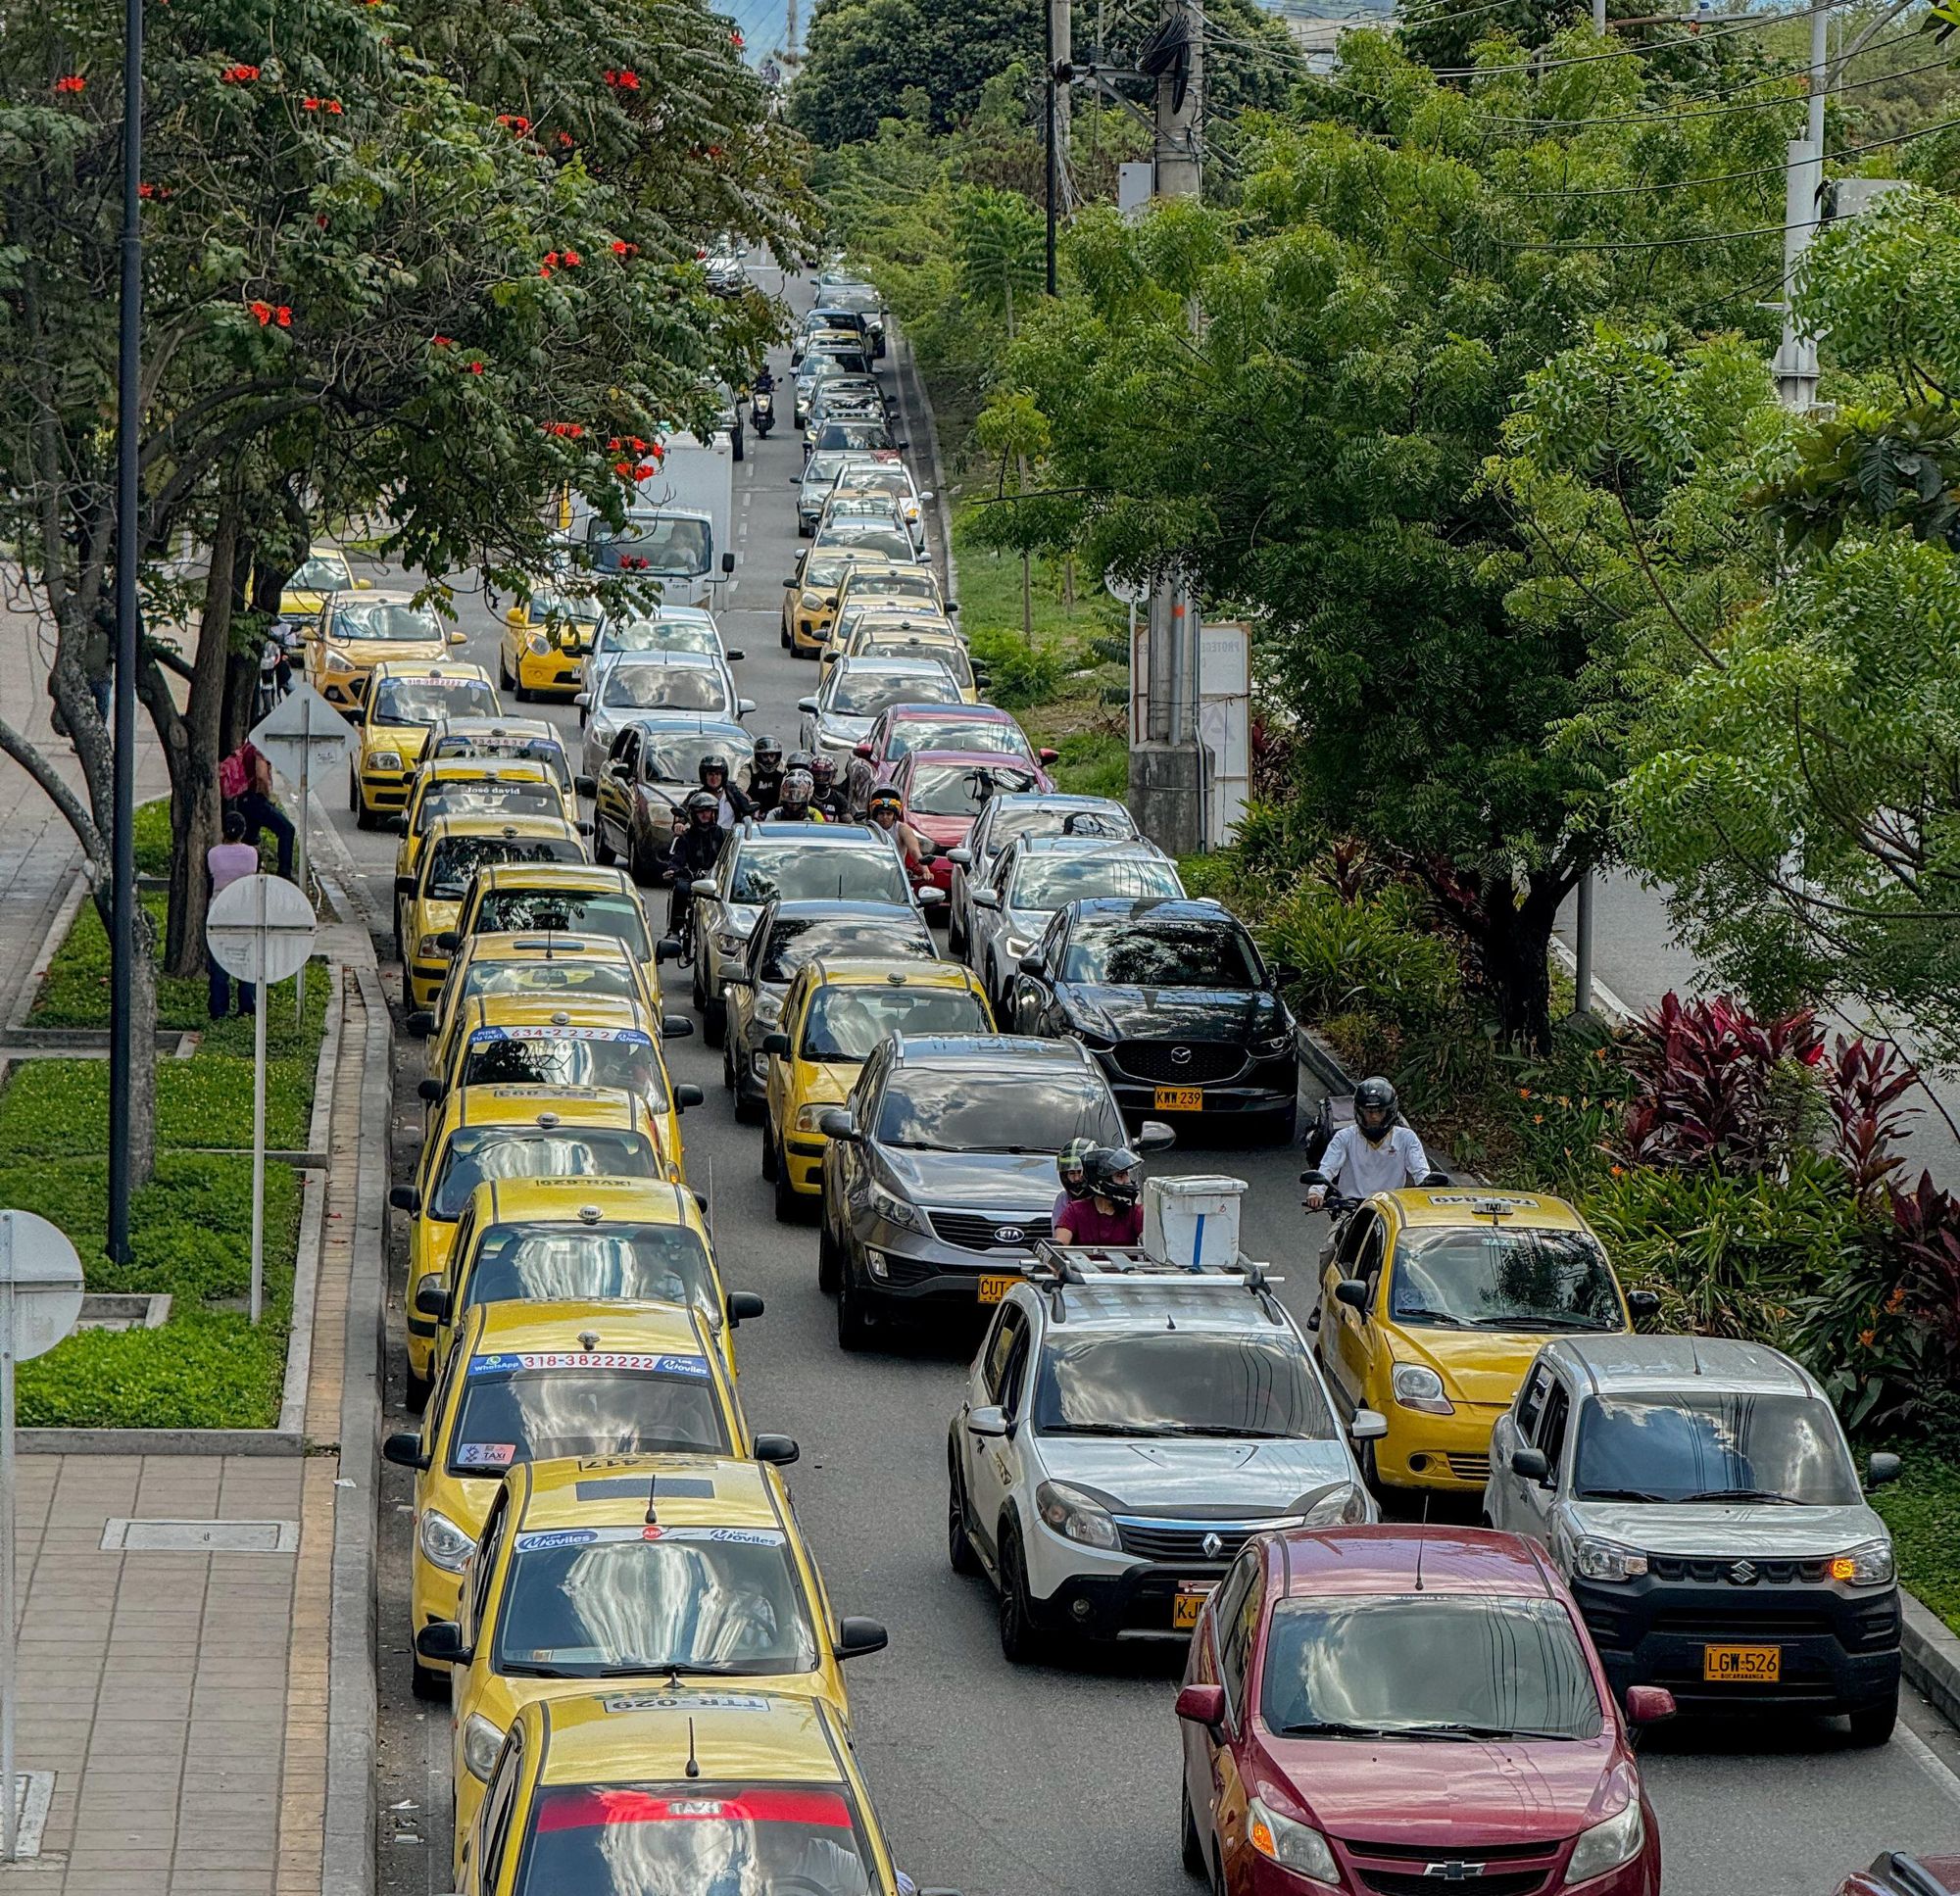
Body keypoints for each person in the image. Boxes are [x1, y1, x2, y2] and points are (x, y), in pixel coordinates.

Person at [1303, 1076, 1433, 1207]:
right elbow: (1328, 1167)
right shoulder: (1344, 1137)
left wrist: (1429, 1188)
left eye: (1380, 1111)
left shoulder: (1407, 1138)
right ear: (1359, 1111)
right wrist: (1316, 1192)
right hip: (1350, 1207)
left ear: (1390, 1111)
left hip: (1391, 1209)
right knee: (1337, 1229)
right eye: (1369, 1112)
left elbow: (1421, 1171)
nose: (1374, 1117)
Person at [207, 811, 263, 1018]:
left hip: (219, 912)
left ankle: (218, 1007)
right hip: (245, 913)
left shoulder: (213, 854)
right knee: (246, 959)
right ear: (243, 831)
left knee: (219, 961)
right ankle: (248, 1005)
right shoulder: (252, 854)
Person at [220, 737, 295, 880]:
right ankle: (284, 873)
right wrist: (266, 797)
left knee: (250, 840)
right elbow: (261, 776)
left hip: (243, 799)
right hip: (256, 799)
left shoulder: (248, 746)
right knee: (286, 829)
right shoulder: (260, 749)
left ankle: (245, 874)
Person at [1054, 1145, 1146, 1248]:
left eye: (1126, 1175)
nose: (1127, 1181)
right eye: (1120, 1176)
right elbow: (1060, 1244)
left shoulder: (1135, 1212)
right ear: (1101, 1180)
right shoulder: (1075, 1211)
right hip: (1083, 1265)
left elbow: (1152, 1243)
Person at [666, 789, 727, 934]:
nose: (705, 814)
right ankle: (675, 930)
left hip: (716, 880)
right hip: (692, 878)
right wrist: (673, 869)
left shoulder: (722, 835)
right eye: (701, 811)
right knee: (680, 889)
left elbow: (728, 857)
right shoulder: (686, 837)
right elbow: (678, 858)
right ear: (694, 814)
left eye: (708, 810)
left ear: (715, 813)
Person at [865, 786, 930, 875]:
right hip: (871, 874)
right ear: (875, 813)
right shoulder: (868, 829)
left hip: (895, 877)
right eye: (881, 813)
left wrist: (926, 871)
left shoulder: (902, 829)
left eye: (889, 814)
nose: (885, 817)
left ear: (895, 815)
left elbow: (914, 851)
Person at [1049, 1136, 1096, 1232]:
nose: (1077, 1178)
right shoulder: (1063, 1199)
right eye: (1072, 1173)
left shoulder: (1105, 1200)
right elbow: (1060, 1240)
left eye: (1080, 1172)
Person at [698, 753, 754, 826]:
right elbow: (684, 813)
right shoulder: (698, 796)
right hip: (707, 835)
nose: (714, 778)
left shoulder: (733, 792)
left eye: (717, 774)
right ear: (704, 776)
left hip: (731, 835)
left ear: (723, 776)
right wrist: (680, 823)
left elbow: (747, 808)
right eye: (710, 774)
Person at [746, 735, 785, 812]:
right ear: (758, 756)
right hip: (753, 814)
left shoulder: (784, 770)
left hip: (778, 816)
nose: (769, 759)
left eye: (772, 756)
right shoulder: (748, 768)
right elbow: (739, 788)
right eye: (765, 756)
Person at [808, 753, 849, 822]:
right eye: (817, 775)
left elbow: (848, 821)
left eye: (825, 775)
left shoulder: (839, 799)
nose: (821, 778)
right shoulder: (806, 796)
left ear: (833, 777)